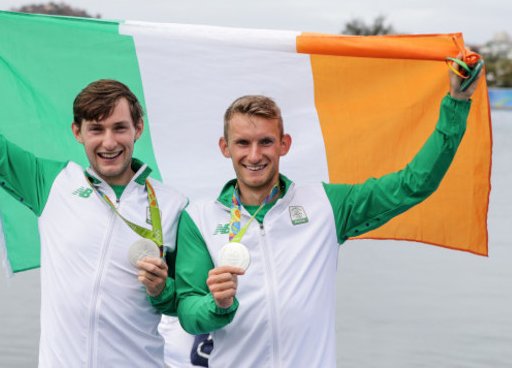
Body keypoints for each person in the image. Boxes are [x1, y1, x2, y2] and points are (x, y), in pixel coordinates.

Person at [175, 59, 483, 367]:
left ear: (284, 144)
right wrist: (217, 304)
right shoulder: (200, 218)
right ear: (225, 147)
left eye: (265, 142)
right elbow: (188, 313)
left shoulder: (325, 205)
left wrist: (457, 102)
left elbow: (414, 183)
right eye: (242, 143)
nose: (254, 155)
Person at [0, 0, 187, 367]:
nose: (109, 142)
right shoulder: (51, 182)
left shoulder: (174, 205)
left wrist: (164, 289)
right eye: (96, 129)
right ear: (77, 132)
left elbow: (188, 304)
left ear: (138, 129)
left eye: (120, 128)